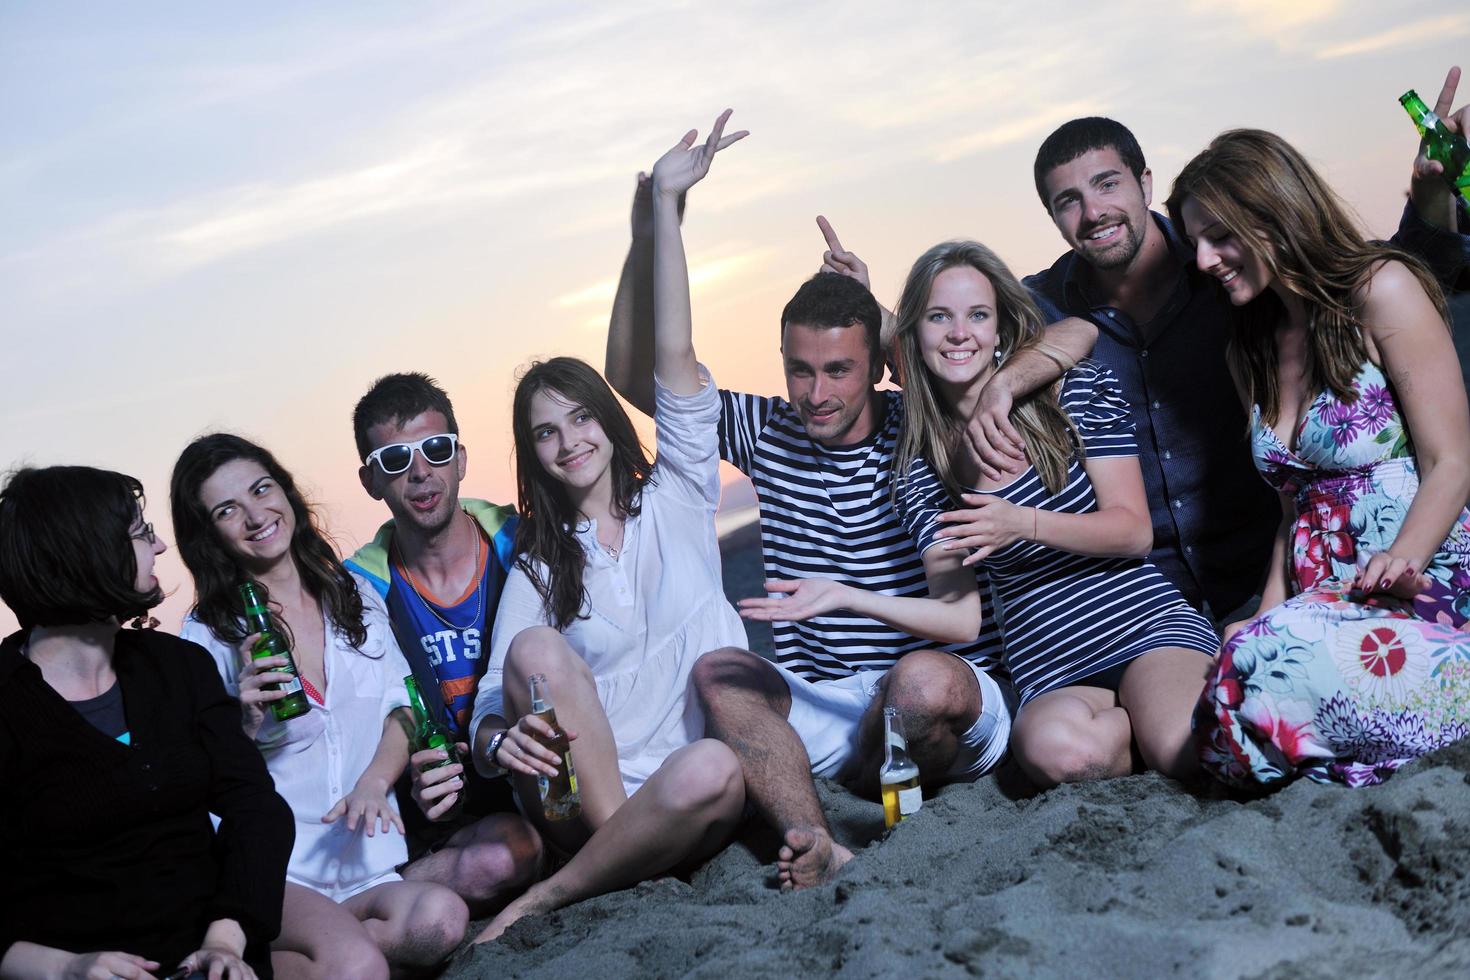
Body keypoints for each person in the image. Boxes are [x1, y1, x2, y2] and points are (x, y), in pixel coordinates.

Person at [605, 145, 1095, 892]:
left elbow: (1033, 340)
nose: (816, 392)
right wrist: (657, 224)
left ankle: (880, 785)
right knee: (721, 673)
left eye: (839, 370)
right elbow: (643, 368)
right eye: (799, 369)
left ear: (878, 364)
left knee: (923, 687)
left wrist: (878, 303)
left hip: (940, 690)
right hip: (822, 702)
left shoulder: (921, 432)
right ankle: (817, 837)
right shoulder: (766, 431)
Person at [749, 241, 1220, 787]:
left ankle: (1171, 701)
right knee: (1063, 757)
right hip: (1049, 661)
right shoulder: (921, 469)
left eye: (977, 315)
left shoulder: (1072, 393)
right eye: (939, 317)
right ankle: (1157, 711)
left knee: (1180, 750)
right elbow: (960, 617)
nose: (958, 333)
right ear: (913, 336)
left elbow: (1135, 533)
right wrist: (844, 594)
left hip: (1139, 624)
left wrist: (1023, 523)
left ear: (1000, 329)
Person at [1017, 74, 1470, 627]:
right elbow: (938, 345)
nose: (1092, 212)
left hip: (1393, 576)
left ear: (1144, 183)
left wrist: (1432, 198)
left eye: (1108, 184)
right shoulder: (1244, 335)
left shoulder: (1251, 287)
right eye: (1069, 201)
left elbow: (1380, 291)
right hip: (1185, 603)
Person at [468, 110, 750, 940]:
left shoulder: (682, 495)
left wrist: (664, 207)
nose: (569, 442)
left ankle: (555, 894)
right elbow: (496, 693)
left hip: (680, 789)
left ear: (608, 421)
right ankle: (605, 856)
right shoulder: (542, 568)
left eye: (581, 418)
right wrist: (495, 745)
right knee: (533, 650)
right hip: (592, 800)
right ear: (533, 456)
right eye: (545, 433)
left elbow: (674, 351)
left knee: (712, 767)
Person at [1167, 129, 1470, 787]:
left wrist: (1403, 559)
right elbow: (1291, 511)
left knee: (1251, 675)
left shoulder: (1380, 288)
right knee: (1239, 658)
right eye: (1194, 241)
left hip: (1427, 585)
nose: (1204, 259)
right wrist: (1267, 612)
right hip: (1320, 607)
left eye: (1220, 235)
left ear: (1275, 213)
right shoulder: (1248, 347)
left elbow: (1452, 461)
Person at [171, 435, 476, 976]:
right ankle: (322, 953)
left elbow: (401, 710)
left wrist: (375, 783)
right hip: (278, 871)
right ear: (208, 534)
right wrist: (244, 724)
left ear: (285, 492)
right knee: (362, 964)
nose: (254, 515)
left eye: (262, 490)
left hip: (367, 863)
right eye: (227, 510)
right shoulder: (205, 636)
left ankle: (312, 956)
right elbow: (197, 778)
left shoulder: (354, 591)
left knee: (442, 918)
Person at [0, 466, 293, 980]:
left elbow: (256, 809)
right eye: (140, 534)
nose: (159, 546)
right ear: (85, 555)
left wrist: (226, 941)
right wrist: (67, 969)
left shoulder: (178, 667)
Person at [344, 374, 543, 910]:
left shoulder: (526, 543)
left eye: (434, 449)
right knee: (505, 858)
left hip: (541, 775)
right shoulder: (357, 592)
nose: (419, 472)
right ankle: (368, 898)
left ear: (459, 459)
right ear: (370, 481)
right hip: (440, 808)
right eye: (393, 460)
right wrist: (405, 779)